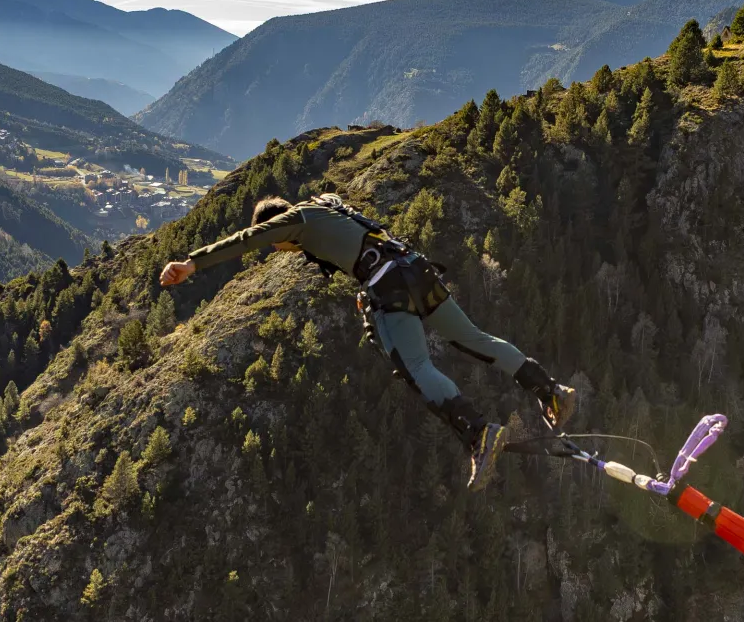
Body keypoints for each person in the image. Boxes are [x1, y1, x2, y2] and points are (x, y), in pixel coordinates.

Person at [159, 193, 576, 491]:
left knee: (416, 369)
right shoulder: (326, 206)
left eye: (278, 244)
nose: (281, 249)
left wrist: (191, 263)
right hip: (416, 268)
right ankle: (551, 391)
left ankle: (479, 433)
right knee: (473, 338)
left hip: (389, 285)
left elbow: (245, 241)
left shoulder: (294, 221)